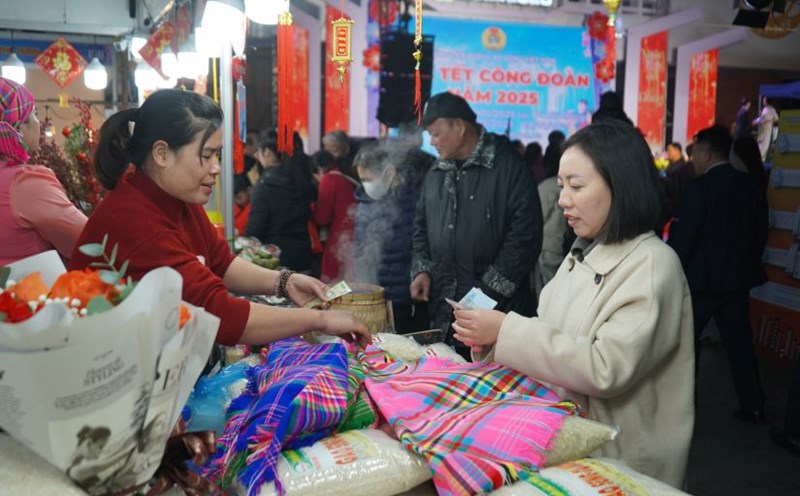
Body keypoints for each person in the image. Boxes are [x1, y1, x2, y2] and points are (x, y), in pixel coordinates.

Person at [452, 119, 693, 488]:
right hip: (570, 445)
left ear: (620, 185)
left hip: (621, 461)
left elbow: (605, 367)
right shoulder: (582, 252)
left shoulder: (652, 264)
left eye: (576, 186)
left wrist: (506, 330)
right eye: (562, 185)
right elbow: (550, 334)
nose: (563, 199)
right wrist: (494, 342)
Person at [69, 89, 369, 348]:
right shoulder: (136, 221)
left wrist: (285, 282)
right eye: (207, 155)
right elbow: (219, 315)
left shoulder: (174, 196)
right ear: (162, 153)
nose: (216, 168)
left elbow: (219, 261)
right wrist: (319, 319)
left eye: (218, 155)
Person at [411, 92, 543, 356]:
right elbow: (421, 226)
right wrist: (422, 270)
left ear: (459, 126)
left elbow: (525, 237)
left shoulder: (508, 167)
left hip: (496, 313)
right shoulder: (436, 172)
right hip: (444, 312)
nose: (432, 142)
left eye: (436, 134)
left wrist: (483, 295)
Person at [669, 124, 767, 424]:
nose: (693, 157)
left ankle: (685, 409)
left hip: (701, 283)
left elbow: (686, 238)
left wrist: (673, 269)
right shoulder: (749, 185)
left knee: (687, 348)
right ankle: (753, 406)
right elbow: (760, 232)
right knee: (739, 344)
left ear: (707, 153)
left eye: (696, 151)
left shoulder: (700, 188)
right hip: (736, 281)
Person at [0, 76, 87, 265]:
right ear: (17, 129)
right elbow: (88, 242)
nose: (38, 123)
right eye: (33, 115)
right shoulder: (26, 183)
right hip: (24, 292)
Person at [352, 141, 429, 334]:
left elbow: (420, 244)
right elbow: (359, 248)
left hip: (407, 292)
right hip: (376, 292)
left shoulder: (414, 200)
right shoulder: (364, 203)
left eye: (369, 178)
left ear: (389, 173)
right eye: (362, 180)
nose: (366, 185)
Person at [245, 130, 315, 273]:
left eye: (258, 152)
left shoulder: (264, 185)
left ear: (267, 152)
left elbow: (256, 226)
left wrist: (245, 241)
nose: (257, 156)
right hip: (302, 254)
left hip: (275, 257)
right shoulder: (301, 180)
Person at [311, 148, 359, 283]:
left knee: (335, 283)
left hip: (339, 238)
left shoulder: (329, 179)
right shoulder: (347, 176)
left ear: (318, 169)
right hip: (355, 235)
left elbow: (322, 217)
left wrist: (312, 208)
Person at [533, 138, 566, 300]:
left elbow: (538, 219)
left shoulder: (546, 186)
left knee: (547, 294)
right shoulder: (571, 184)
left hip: (548, 247)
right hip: (568, 246)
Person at [661, 141, 695, 222]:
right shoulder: (671, 165)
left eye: (669, 150)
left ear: (677, 150)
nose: (667, 153)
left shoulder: (682, 168)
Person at [752, 96, 779, 162]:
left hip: (765, 131)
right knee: (765, 146)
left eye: (764, 100)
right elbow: (776, 118)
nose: (763, 101)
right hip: (767, 130)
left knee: (762, 147)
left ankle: (761, 162)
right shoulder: (771, 109)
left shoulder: (766, 109)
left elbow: (762, 119)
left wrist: (755, 121)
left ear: (766, 101)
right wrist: (770, 120)